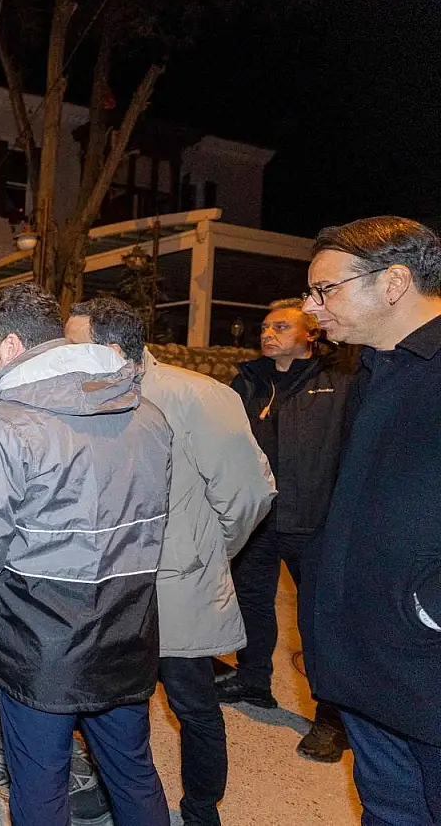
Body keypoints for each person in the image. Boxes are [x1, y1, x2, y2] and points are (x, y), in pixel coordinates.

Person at [0, 282, 173, 826]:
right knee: (133, 774)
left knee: (39, 784)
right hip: (127, 632)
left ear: (13, 346)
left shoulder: (6, 425)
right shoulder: (148, 414)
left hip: (40, 646)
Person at [67, 297, 275, 826]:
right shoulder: (83, 398)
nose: (63, 357)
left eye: (73, 346)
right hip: (108, 586)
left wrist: (205, 552)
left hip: (174, 586)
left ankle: (201, 808)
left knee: (192, 704)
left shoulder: (198, 396)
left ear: (113, 350)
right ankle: (122, 792)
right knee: (112, 704)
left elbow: (248, 494)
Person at [299, 216, 441, 825]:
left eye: (324, 289)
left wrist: (427, 609)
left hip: (426, 665)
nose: (310, 308)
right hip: (367, 664)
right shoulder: (375, 371)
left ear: (394, 283)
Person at [218, 298, 358, 762]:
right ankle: (253, 679)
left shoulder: (340, 382)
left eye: (281, 326)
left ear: (311, 335)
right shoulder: (248, 381)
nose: (268, 333)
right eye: (264, 326)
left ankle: (332, 718)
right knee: (252, 600)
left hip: (315, 518)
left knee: (317, 619)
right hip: (260, 515)